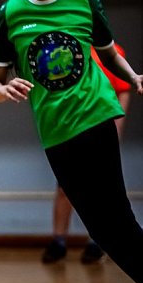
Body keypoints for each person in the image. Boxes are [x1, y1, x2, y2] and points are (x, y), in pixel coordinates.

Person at [0, 0, 143, 283]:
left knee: (118, 219)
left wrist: (133, 76)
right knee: (101, 230)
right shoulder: (10, 13)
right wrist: (5, 89)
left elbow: (108, 54)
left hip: (95, 116)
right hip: (55, 133)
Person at [43, 44, 133, 265]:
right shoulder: (65, 47)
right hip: (71, 129)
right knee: (65, 188)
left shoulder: (111, 51)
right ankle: (58, 241)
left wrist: (117, 125)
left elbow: (122, 90)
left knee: (102, 190)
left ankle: (98, 242)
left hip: (100, 127)